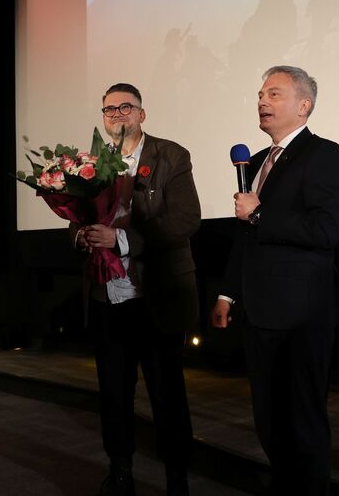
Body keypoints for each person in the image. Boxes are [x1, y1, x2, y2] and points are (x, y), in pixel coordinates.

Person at [211, 66, 339, 495]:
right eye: (259, 94)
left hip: (303, 312)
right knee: (268, 417)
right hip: (258, 308)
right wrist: (226, 292)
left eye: (274, 94)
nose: (262, 101)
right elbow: (246, 240)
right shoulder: (252, 163)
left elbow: (327, 231)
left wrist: (259, 213)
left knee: (303, 417)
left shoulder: (324, 154)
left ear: (304, 105)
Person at [74, 83, 201, 496]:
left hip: (156, 296)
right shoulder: (89, 165)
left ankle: (177, 479)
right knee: (113, 394)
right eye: (109, 109)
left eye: (125, 107)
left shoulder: (171, 156)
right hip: (108, 296)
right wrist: (82, 237)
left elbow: (185, 220)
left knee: (167, 396)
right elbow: (75, 220)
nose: (116, 115)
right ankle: (121, 471)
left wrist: (122, 241)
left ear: (141, 115)